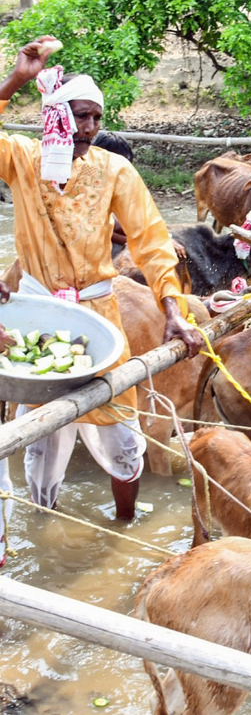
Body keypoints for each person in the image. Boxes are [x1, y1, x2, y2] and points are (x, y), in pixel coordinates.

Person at [0, 37, 202, 565]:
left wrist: (173, 310)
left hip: (97, 316)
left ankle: (123, 528)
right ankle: (43, 527)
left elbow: (152, 242)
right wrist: (16, 79)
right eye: (78, 116)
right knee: (41, 438)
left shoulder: (116, 170)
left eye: (95, 117)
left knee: (121, 434)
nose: (88, 128)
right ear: (55, 117)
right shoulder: (22, 159)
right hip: (36, 317)